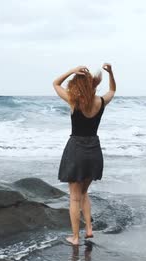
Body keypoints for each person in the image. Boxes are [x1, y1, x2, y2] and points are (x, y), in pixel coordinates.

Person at [52, 64, 116, 245]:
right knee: (84, 192)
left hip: (76, 150)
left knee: (74, 197)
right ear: (92, 85)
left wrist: (71, 71)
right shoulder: (101, 102)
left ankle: (75, 238)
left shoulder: (74, 101)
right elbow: (112, 89)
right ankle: (88, 228)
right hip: (94, 150)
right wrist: (111, 73)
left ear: (78, 86)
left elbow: (56, 84)